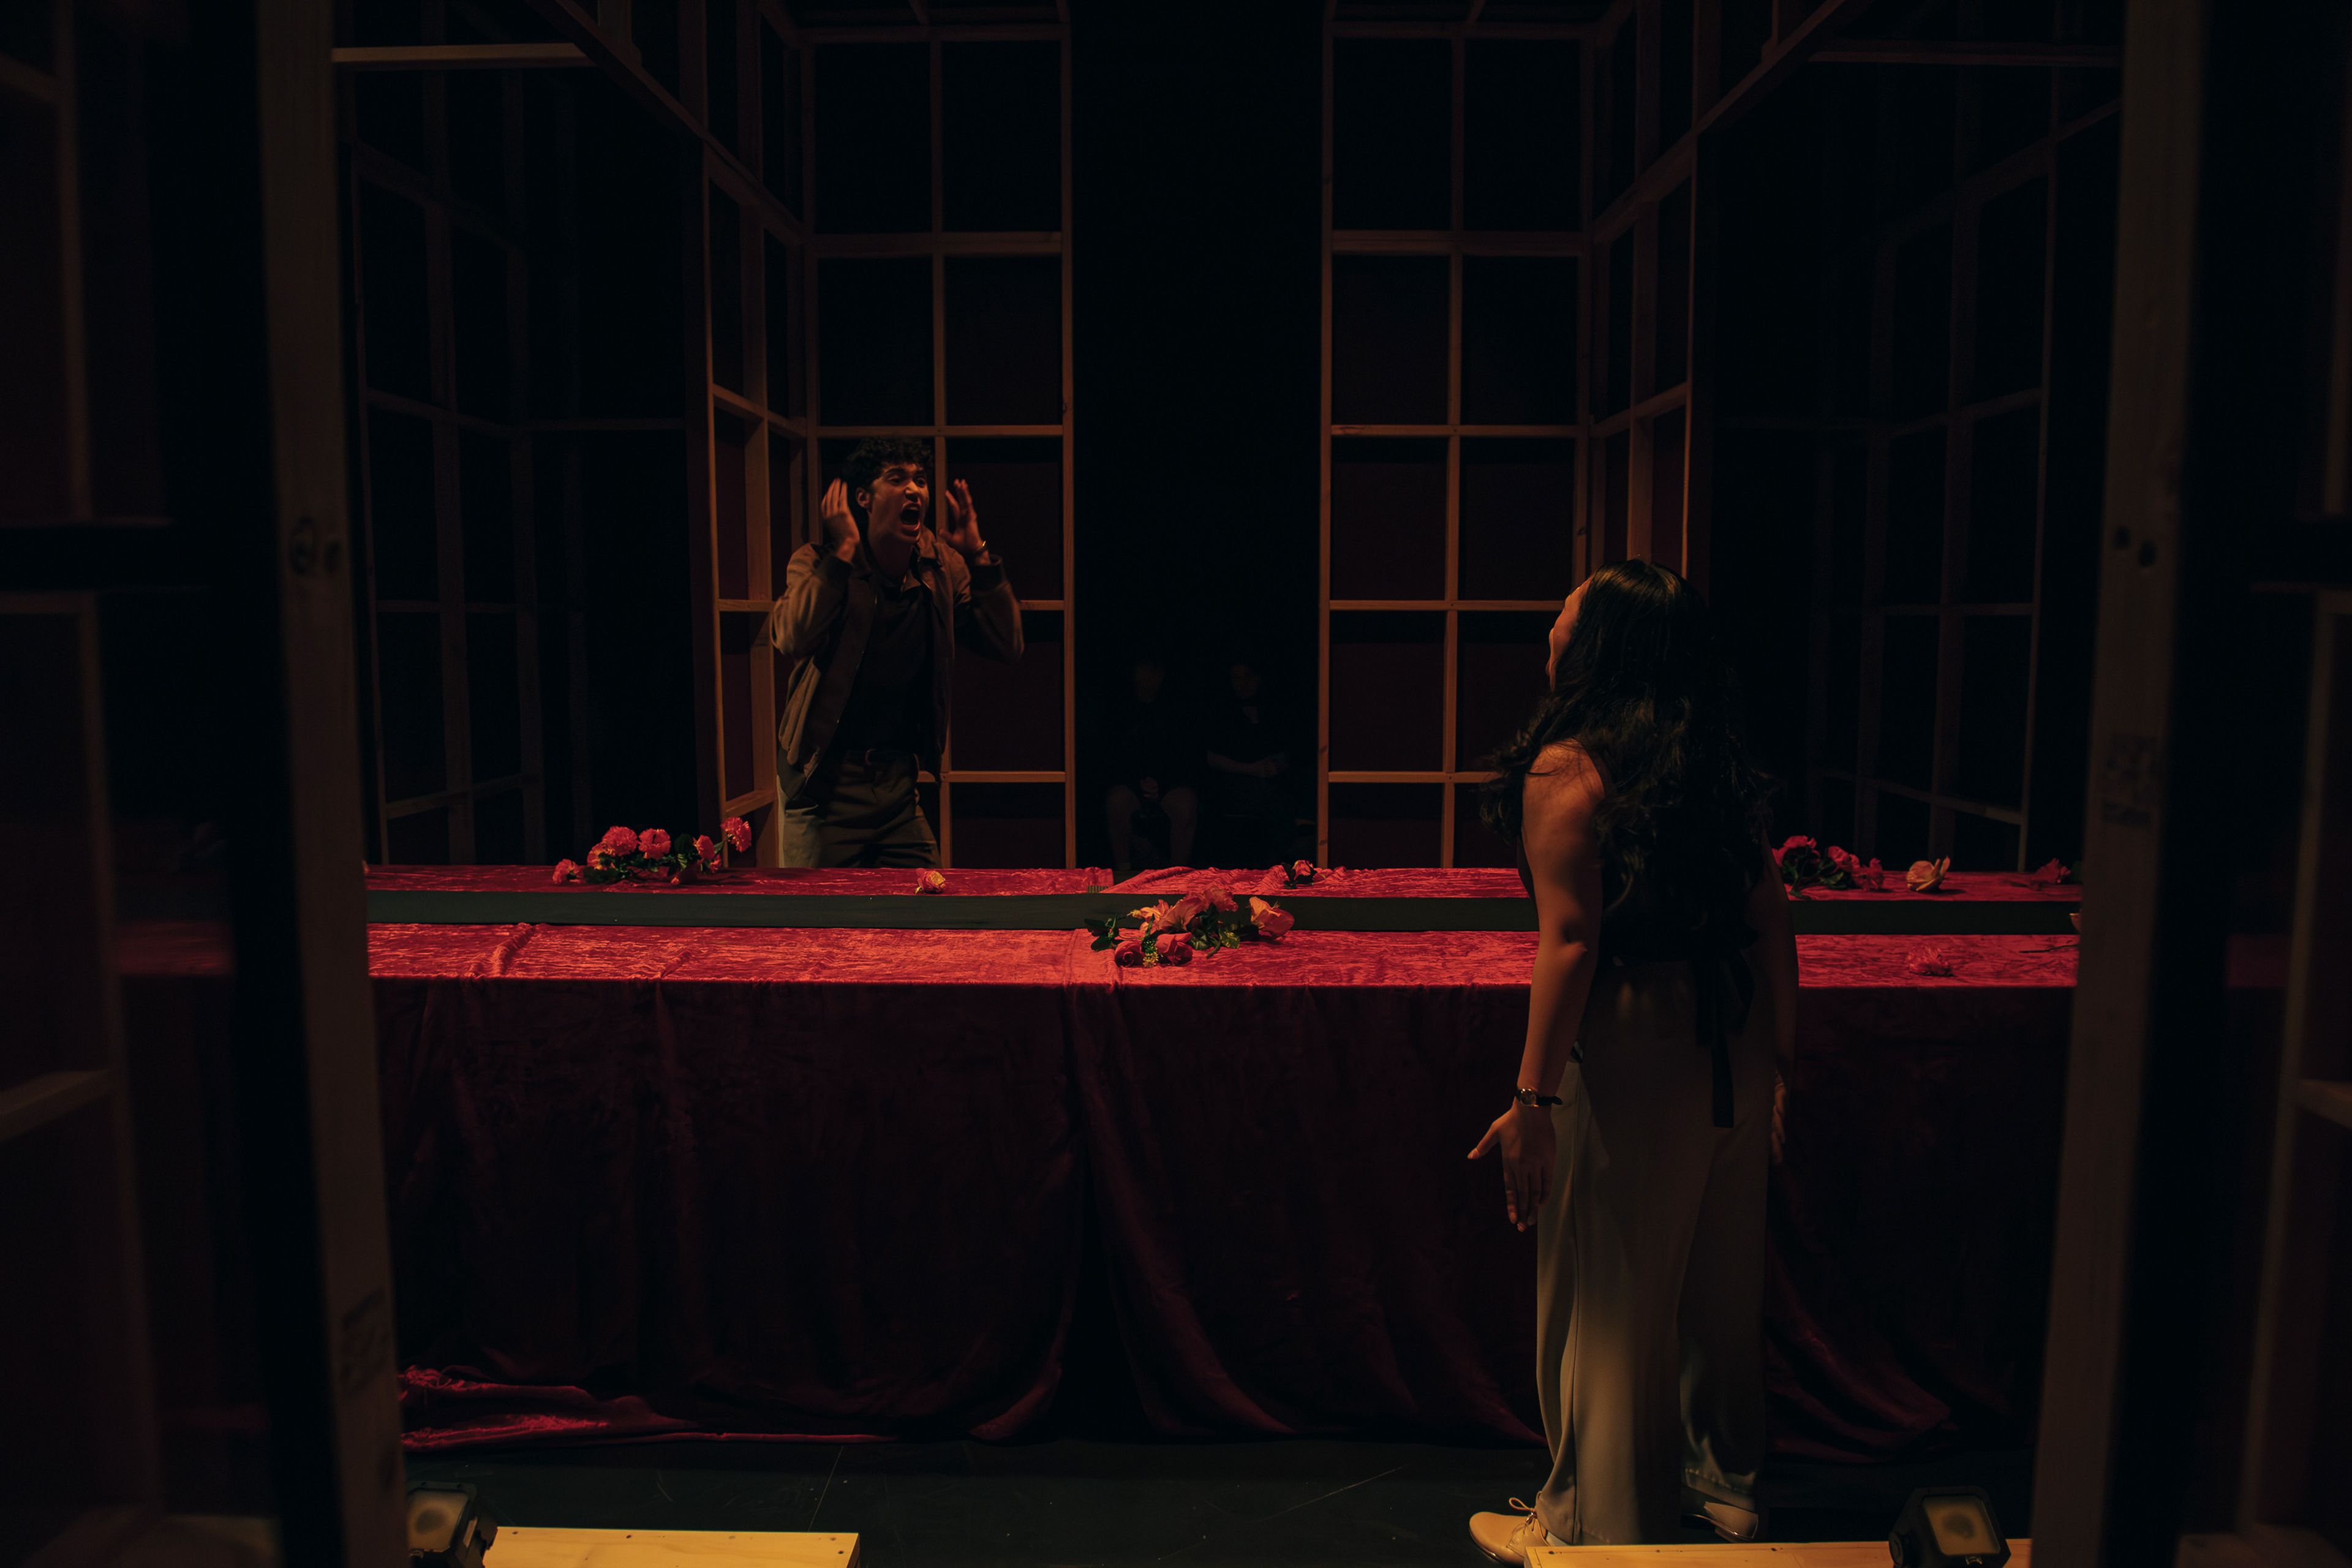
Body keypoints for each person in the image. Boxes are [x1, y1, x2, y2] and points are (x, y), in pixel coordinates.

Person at [1463, 560, 1798, 1556]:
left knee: (1609, 1294)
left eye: (1571, 607)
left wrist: (1533, 1100)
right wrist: (1784, 1056)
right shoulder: (1705, 753)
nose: (1554, 618)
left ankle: (1597, 1528)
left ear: (1601, 642)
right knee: (1716, 1289)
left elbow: (1571, 940)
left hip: (1640, 1034)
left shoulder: (1570, 768)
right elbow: (1768, 907)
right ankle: (1722, 1488)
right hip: (1730, 1033)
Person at [768, 437, 1021, 865]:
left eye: (920, 480)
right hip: (823, 790)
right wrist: (843, 553)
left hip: (897, 794)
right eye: (897, 478)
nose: (914, 490)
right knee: (812, 926)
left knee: (929, 919)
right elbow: (791, 637)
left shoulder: (942, 569)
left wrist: (979, 558)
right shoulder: (818, 562)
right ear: (864, 498)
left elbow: (1006, 645)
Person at [1103, 655, 1201, 880]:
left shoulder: (1175, 708)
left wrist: (1161, 783)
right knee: (1116, 800)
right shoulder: (1120, 708)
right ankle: (1124, 873)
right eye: (1145, 670)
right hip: (1131, 783)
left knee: (1186, 805)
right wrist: (1140, 782)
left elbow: (1184, 755)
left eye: (1156, 671)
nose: (1151, 678)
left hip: (1169, 783)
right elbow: (1114, 757)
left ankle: (1177, 877)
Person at [1201, 654, 1294, 866]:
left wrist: (1277, 765)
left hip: (1269, 780)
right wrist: (1252, 769)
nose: (1243, 683)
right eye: (1236, 678)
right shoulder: (1222, 712)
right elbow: (1210, 757)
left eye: (1248, 676)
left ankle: (1282, 860)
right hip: (1233, 780)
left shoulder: (1271, 708)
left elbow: (1284, 748)